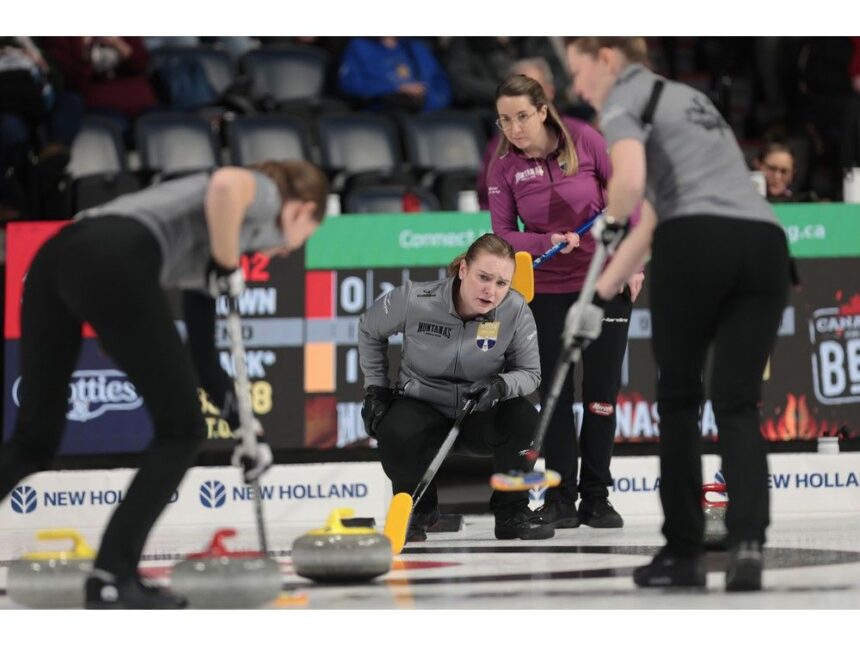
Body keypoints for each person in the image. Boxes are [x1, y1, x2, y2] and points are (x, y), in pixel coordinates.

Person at [0, 159, 328, 608]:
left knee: (34, 441)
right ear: (300, 211)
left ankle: (111, 576)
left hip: (55, 261)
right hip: (113, 253)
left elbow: (204, 355)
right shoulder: (265, 194)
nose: (289, 251)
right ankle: (112, 575)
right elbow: (227, 185)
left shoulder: (209, 255)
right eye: (304, 234)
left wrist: (244, 427)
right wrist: (227, 262)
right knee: (182, 429)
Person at [564, 37, 791, 591]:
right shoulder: (692, 100)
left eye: (578, 71)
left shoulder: (623, 99)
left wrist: (605, 224)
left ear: (608, 59)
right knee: (737, 403)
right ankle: (747, 547)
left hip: (698, 243)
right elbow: (656, 216)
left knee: (681, 400)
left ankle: (686, 552)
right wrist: (598, 296)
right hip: (765, 245)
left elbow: (632, 187)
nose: (577, 87)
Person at [487, 74, 643, 531]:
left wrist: (634, 264)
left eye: (521, 117)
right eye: (504, 120)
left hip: (604, 280)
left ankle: (597, 496)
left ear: (541, 110)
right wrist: (543, 241)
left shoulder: (586, 140)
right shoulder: (503, 169)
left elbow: (627, 202)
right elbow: (501, 234)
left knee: (601, 395)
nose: (514, 128)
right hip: (547, 290)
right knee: (556, 397)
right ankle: (559, 497)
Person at [358, 233, 552, 542]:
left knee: (525, 419)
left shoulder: (515, 310)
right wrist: (376, 390)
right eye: (483, 277)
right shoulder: (414, 299)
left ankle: (512, 511)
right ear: (463, 269)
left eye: (502, 283)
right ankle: (417, 509)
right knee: (392, 428)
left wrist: (500, 386)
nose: (491, 291)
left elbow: (530, 373)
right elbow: (369, 329)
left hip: (480, 412)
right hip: (423, 407)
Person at [338, 37, 451, 113]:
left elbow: (441, 87)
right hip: (382, 114)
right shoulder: (358, 47)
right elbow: (350, 85)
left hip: (422, 114)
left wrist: (425, 98)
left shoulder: (417, 48)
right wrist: (394, 89)